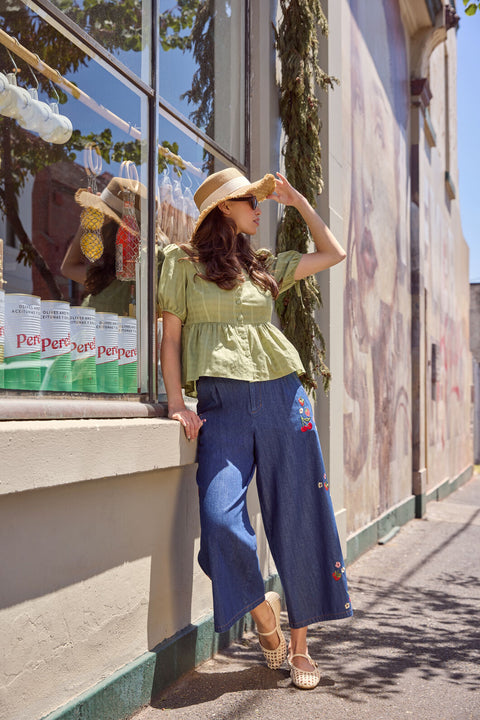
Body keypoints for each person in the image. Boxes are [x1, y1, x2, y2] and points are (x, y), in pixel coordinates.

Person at [158, 167, 352, 690]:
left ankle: (301, 646)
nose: (259, 208)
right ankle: (266, 617)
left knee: (299, 513)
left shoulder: (262, 266)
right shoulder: (181, 263)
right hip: (220, 406)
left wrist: (300, 202)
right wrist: (176, 403)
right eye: (250, 200)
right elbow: (170, 339)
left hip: (282, 398)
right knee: (220, 519)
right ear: (224, 207)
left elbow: (333, 252)